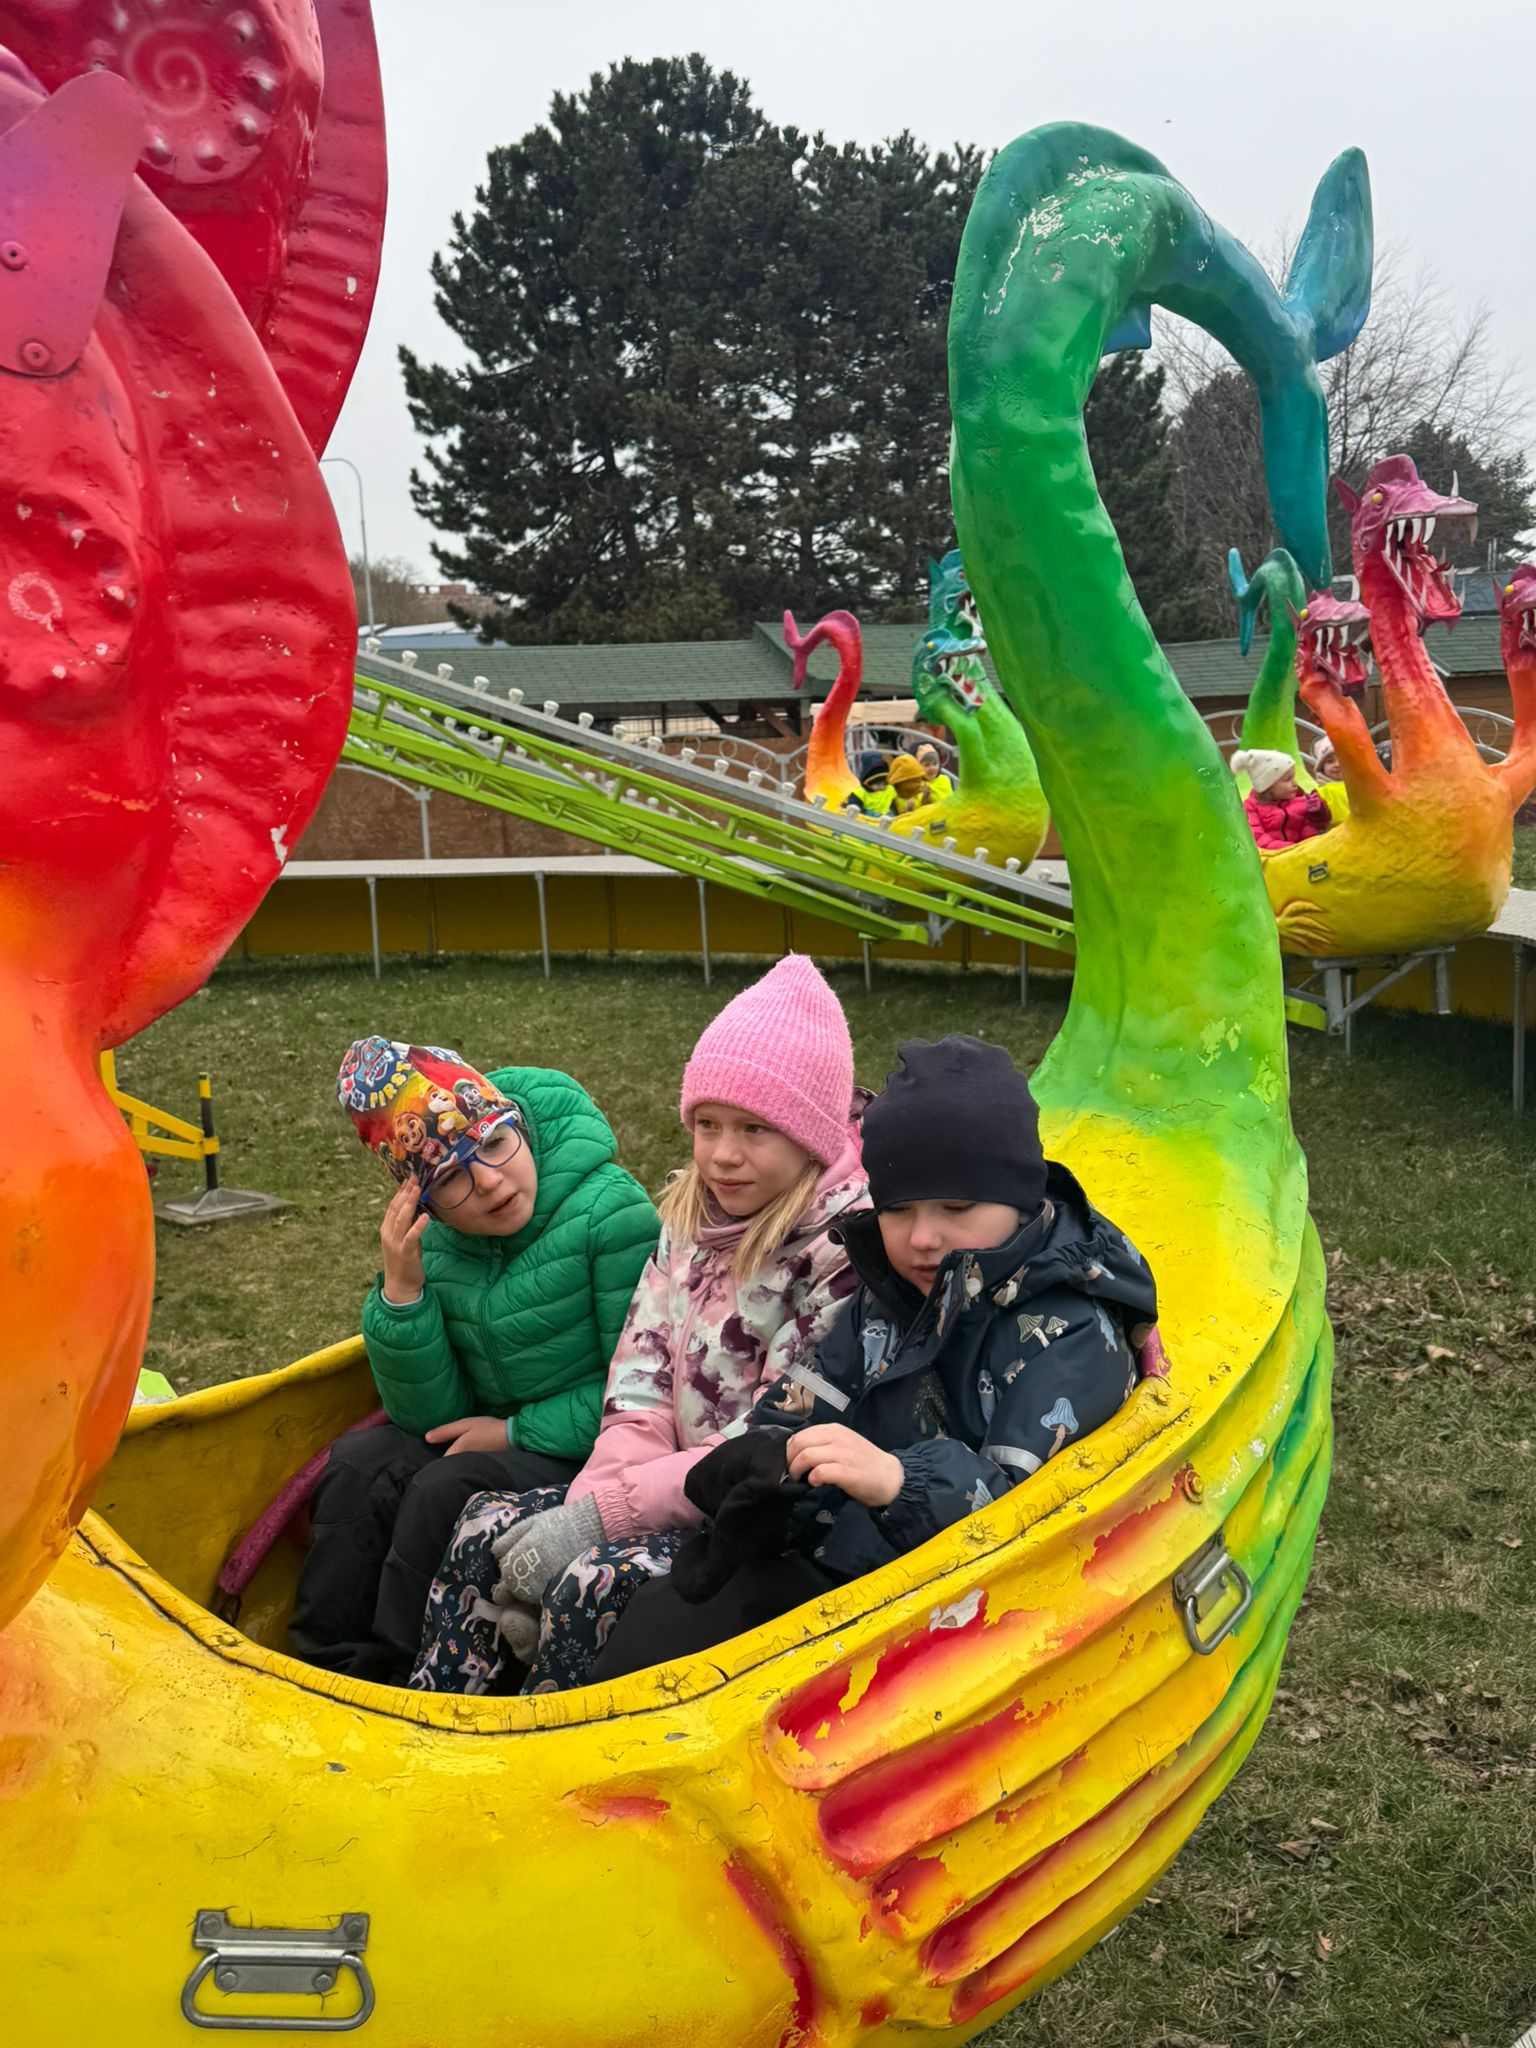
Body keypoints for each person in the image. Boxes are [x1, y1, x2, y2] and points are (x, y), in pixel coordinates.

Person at [583, 1035, 1160, 1684]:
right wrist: (765, 1465)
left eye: (956, 1207)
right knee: (640, 1613)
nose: (923, 1237)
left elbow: (1032, 1525)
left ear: (1023, 1199)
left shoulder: (1068, 1334)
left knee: (676, 1651)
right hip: (849, 1562)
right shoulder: (888, 1293)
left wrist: (898, 1481)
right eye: (898, 1210)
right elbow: (808, 1402)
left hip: (959, 1630)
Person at [408, 957, 870, 1696]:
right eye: (708, 1125)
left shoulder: (842, 1258)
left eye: (755, 1129)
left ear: (810, 1135)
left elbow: (770, 1440)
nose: (723, 1154)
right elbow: (639, 1387)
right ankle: (436, 1727)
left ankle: (547, 1749)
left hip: (757, 1513)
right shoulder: (690, 1220)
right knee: (481, 1529)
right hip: (661, 1486)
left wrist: (601, 1524)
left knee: (591, 1583)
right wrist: (590, 1503)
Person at [287, 1040, 658, 1682]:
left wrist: (513, 1430)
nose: (487, 1181)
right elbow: (428, 1419)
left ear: (518, 1127)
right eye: (451, 1178)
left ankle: (399, 1678)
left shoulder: (610, 1214)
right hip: (488, 1437)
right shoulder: (436, 1245)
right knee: (361, 1463)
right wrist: (403, 1294)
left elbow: (642, 1387)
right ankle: (319, 1662)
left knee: (443, 1488)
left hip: (592, 1445)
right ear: (423, 1203)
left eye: (493, 1143)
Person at [1231, 748, 1333, 850]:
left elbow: (1310, 836)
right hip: (1273, 857)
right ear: (1267, 785)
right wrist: (1293, 849)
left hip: (1300, 854)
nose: (1294, 783)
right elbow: (1258, 839)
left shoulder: (1300, 801)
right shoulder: (1250, 808)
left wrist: (1318, 817)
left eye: (1293, 778)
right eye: (1287, 779)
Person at [843, 749, 894, 816]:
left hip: (886, 820)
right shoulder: (859, 793)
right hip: (863, 820)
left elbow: (894, 807)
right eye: (878, 784)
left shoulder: (889, 791)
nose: (882, 787)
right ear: (867, 783)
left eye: (884, 784)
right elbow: (853, 809)